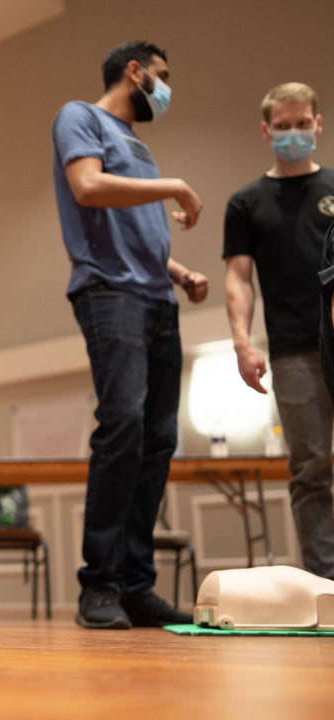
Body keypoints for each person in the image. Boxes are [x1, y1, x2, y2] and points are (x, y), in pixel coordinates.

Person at [51, 41, 208, 629]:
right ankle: (100, 586)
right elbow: (88, 188)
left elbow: (133, 233)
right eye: (161, 77)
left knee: (159, 437)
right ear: (135, 71)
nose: (164, 89)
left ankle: (136, 585)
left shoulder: (138, 147)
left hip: (155, 296)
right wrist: (175, 186)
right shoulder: (81, 117)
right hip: (108, 294)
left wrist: (180, 272)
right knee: (124, 425)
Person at [224, 82, 334, 580]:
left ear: (318, 124)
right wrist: (243, 343)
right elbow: (238, 279)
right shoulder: (246, 203)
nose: (294, 132)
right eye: (283, 126)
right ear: (267, 131)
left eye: (301, 123)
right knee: (310, 470)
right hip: (292, 352)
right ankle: (327, 583)